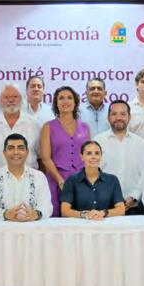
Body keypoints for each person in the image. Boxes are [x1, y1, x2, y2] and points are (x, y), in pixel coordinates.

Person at [40, 86, 90, 217]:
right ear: (56, 103)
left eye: (69, 98)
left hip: (81, 181)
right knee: (55, 218)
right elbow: (45, 158)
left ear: (75, 102)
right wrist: (60, 181)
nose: (65, 101)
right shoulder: (48, 127)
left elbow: (89, 156)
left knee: (81, 217)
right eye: (61, 98)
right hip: (56, 179)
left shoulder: (85, 127)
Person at [94, 100, 144, 214]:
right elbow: (93, 172)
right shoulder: (98, 141)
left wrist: (134, 196)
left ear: (129, 117)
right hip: (105, 207)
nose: (118, 117)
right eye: (114, 114)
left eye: (123, 114)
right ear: (108, 118)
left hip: (134, 207)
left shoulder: (140, 143)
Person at [0, 133, 52, 221]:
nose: (16, 152)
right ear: (4, 153)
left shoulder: (39, 177)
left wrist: (35, 214)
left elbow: (47, 207)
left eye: (20, 148)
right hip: (1, 228)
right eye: (11, 148)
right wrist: (6, 214)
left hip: (32, 227)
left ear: (27, 152)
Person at [60, 141, 126, 219]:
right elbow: (64, 211)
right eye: (89, 153)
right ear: (81, 156)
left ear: (101, 156)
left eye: (97, 153)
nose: (93, 157)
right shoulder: (71, 180)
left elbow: (121, 209)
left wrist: (103, 213)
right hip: (80, 225)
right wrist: (84, 214)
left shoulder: (112, 180)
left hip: (106, 224)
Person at [0, 83, 41, 172]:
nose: (11, 100)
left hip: (29, 178)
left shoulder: (35, 125)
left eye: (15, 96)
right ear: (0, 100)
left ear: (22, 99)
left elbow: (41, 158)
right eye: (6, 97)